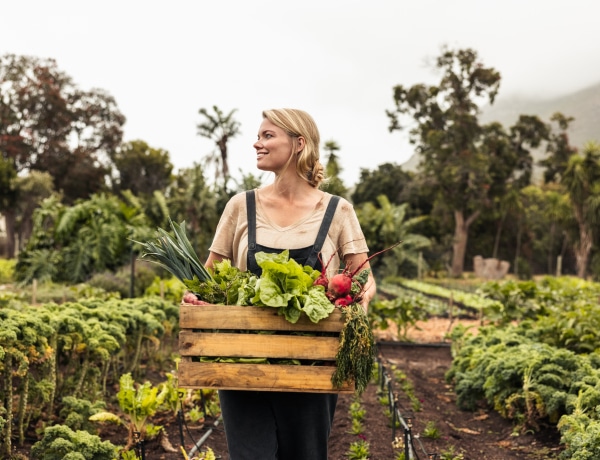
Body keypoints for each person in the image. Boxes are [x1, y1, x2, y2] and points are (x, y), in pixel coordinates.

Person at [204, 108, 376, 460]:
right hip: (244, 364)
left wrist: (356, 306)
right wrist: (198, 299)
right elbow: (210, 277)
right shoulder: (241, 206)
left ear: (299, 144)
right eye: (259, 135)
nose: (257, 143)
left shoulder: (337, 211)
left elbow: (364, 279)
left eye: (268, 136)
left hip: (311, 365)